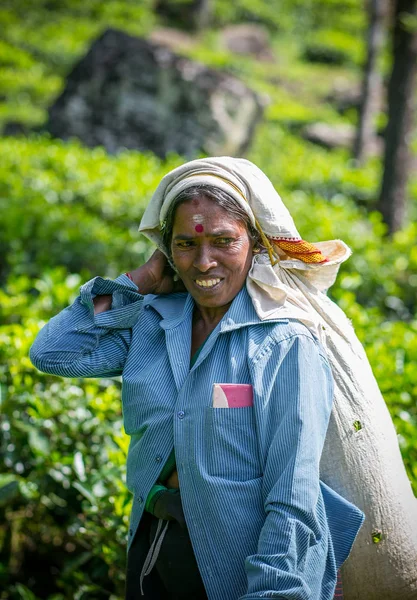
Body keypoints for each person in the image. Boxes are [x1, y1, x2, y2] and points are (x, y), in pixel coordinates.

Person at [30, 157, 364, 600]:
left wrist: (275, 592)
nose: (203, 263)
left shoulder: (284, 344)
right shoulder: (154, 323)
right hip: (155, 544)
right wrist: (141, 280)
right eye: (185, 244)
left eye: (224, 241)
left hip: (245, 568)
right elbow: (53, 351)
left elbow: (292, 498)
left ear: (256, 244)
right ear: (167, 249)